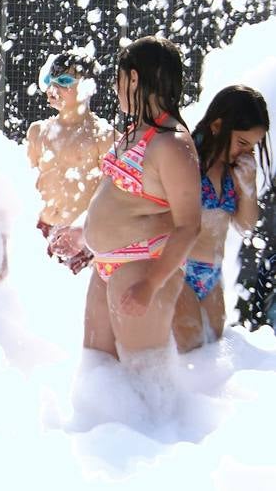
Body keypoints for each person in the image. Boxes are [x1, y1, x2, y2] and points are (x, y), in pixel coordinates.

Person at [82, 36, 201, 365]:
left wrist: (151, 283)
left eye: (119, 79)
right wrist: (83, 233)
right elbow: (120, 200)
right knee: (98, 370)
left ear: (134, 78)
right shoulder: (137, 131)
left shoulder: (172, 143)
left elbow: (189, 225)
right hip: (107, 265)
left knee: (144, 376)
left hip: (143, 269)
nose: (116, 88)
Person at [173, 85, 268, 351]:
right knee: (188, 343)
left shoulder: (232, 173)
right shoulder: (188, 160)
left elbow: (246, 225)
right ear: (217, 126)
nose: (246, 153)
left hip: (213, 273)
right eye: (242, 143)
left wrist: (248, 189)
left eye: (252, 147)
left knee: (213, 344)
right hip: (181, 269)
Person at [25, 51, 116, 275]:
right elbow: (26, 184)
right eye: (50, 81)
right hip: (42, 233)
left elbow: (116, 194)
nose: (53, 89)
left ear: (87, 87)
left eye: (64, 82)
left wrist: (85, 231)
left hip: (82, 237)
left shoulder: (103, 136)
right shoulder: (38, 132)